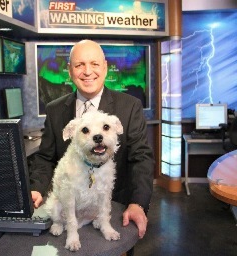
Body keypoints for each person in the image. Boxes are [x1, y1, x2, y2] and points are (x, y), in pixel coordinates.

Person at [29, 39, 154, 244]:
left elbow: (141, 158)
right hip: (69, 210)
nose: (88, 71)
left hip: (114, 208)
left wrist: (138, 203)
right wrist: (36, 188)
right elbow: (45, 157)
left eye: (94, 64)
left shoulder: (130, 106)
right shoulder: (54, 109)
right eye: (79, 65)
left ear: (105, 68)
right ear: (70, 71)